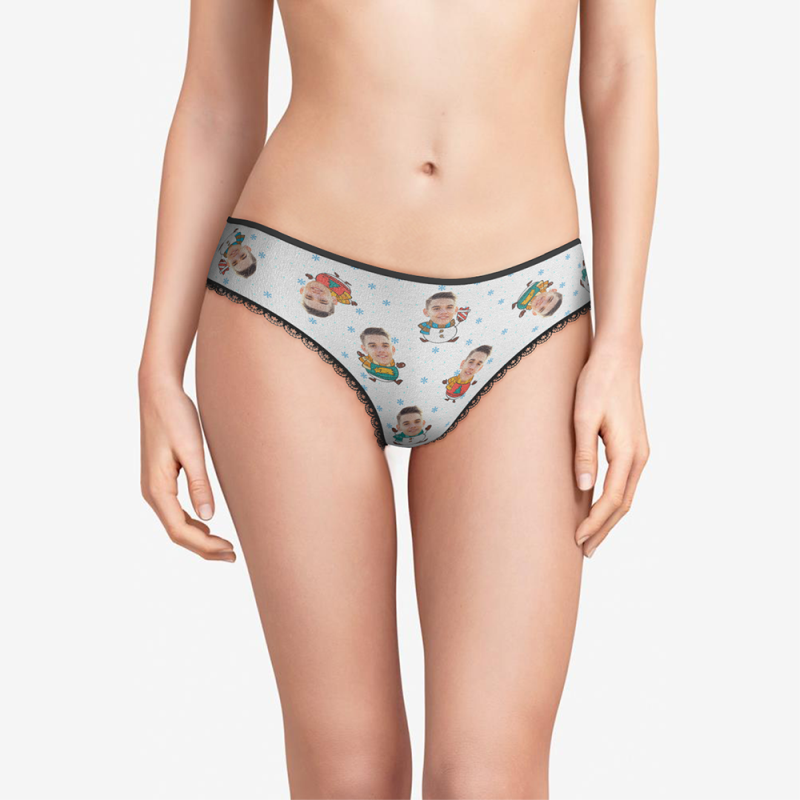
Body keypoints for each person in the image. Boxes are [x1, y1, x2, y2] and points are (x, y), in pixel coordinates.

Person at [138, 1, 655, 796]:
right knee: (349, 772)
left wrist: (621, 342)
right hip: (291, 301)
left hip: (526, 317)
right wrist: (158, 367)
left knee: (490, 777)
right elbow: (216, 100)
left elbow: (620, 67)